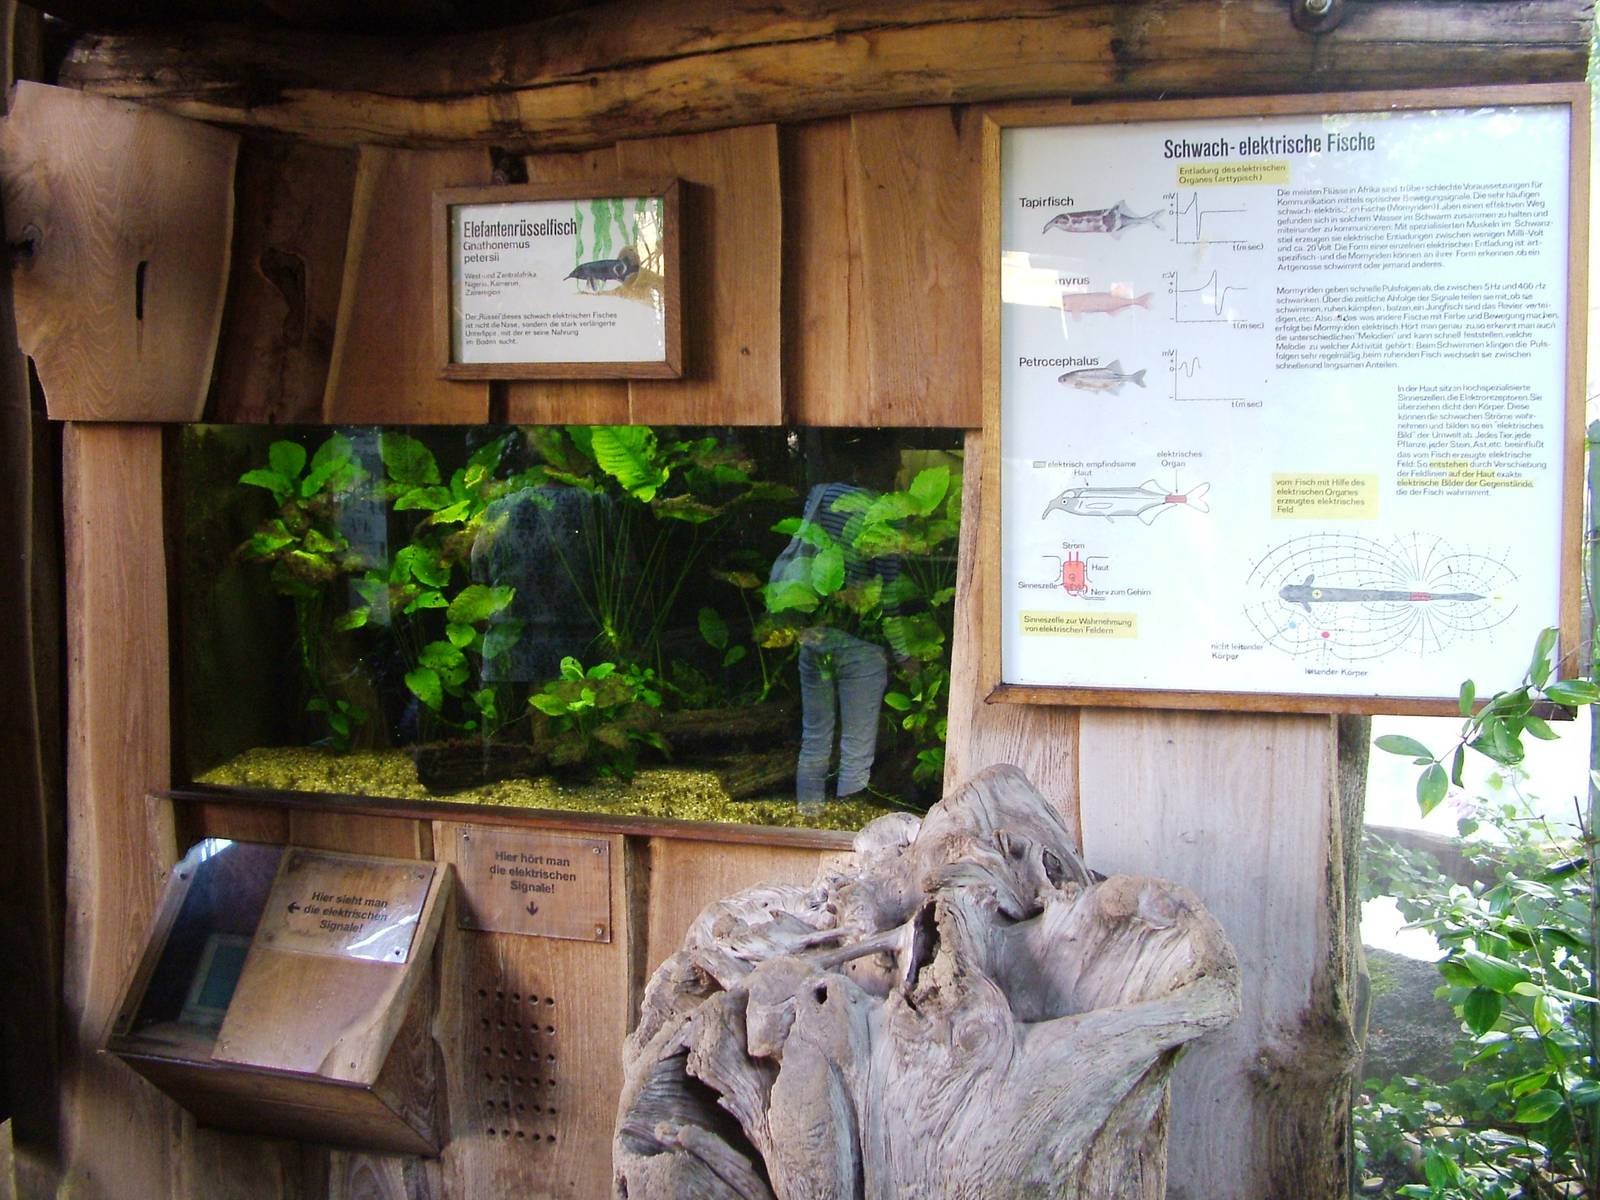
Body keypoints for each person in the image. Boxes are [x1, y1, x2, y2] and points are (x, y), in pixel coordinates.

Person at [780, 482, 910, 813]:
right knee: (856, 750)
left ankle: (808, 819)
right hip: (860, 648)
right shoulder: (886, 516)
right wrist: (905, 656)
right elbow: (889, 600)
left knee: (815, 740)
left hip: (815, 638)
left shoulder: (820, 493)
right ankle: (849, 833)